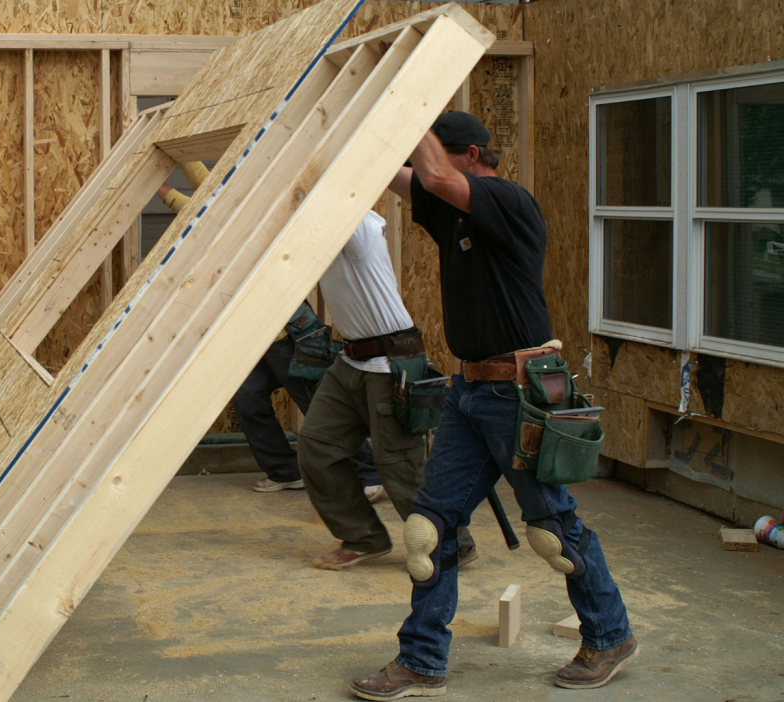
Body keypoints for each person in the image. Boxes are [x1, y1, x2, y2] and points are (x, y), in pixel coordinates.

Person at [349, 111, 635, 700]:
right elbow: (407, 177)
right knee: (429, 530)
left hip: (519, 393)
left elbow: (431, 173)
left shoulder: (507, 200)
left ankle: (610, 635)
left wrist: (409, 101)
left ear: (472, 155)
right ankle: (422, 661)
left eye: (442, 160)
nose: (427, 173)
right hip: (471, 392)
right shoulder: (449, 206)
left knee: (553, 530)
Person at [159, 172, 381, 496]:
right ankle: (284, 470)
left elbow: (199, 182)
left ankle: (369, 473)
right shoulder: (213, 221)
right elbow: (186, 197)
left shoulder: (245, 219)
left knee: (317, 403)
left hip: (285, 336)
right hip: (255, 338)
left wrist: (165, 176)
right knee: (248, 397)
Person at [298, 211, 475, 571]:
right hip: (350, 359)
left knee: (400, 465)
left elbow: (327, 195)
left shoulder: (356, 224)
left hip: (389, 362)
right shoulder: (314, 229)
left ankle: (451, 543)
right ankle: (364, 537)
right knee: (316, 446)